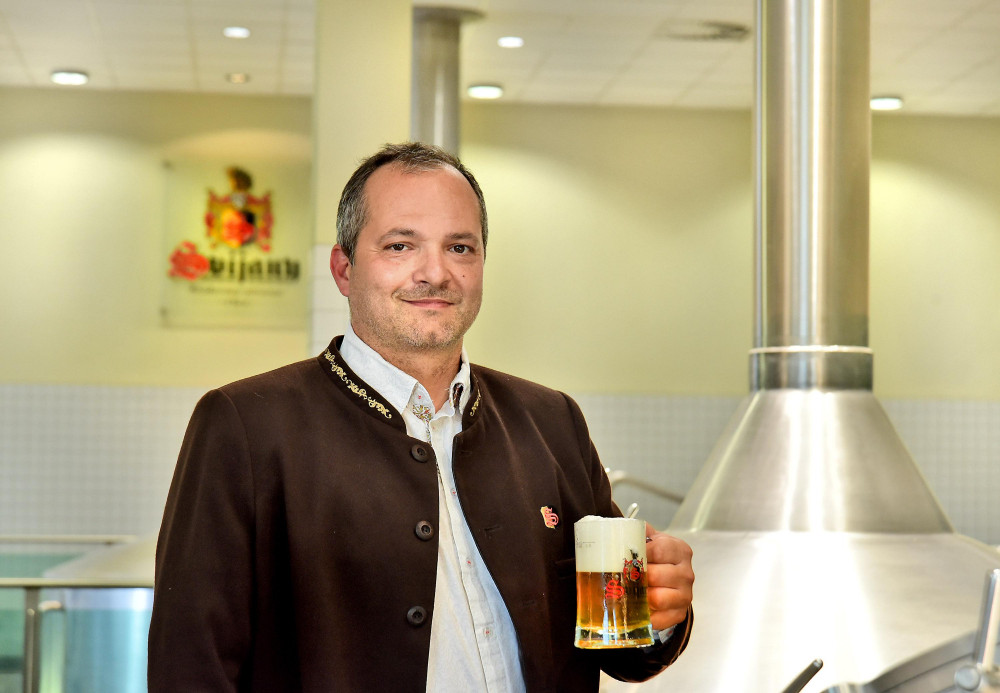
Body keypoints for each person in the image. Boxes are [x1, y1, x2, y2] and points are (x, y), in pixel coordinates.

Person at [147, 142, 694, 692]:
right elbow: (190, 666)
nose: (436, 272)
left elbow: (624, 645)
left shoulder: (552, 422)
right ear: (343, 269)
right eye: (400, 245)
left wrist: (661, 608)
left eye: (460, 247)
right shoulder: (245, 426)